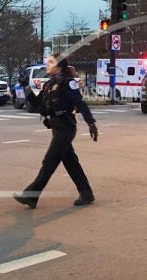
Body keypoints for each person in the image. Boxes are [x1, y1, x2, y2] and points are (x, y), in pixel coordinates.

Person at [14, 54, 98, 209]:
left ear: (59, 66)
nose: (47, 64)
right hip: (56, 126)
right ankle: (86, 193)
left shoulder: (68, 82)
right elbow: (37, 104)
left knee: (49, 162)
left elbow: (80, 103)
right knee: (71, 162)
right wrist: (26, 87)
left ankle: (31, 196)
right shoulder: (49, 83)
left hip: (66, 127)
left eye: (51, 62)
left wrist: (91, 122)